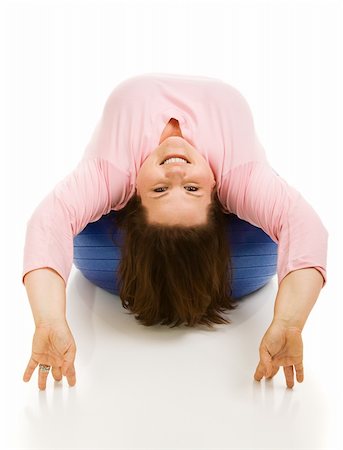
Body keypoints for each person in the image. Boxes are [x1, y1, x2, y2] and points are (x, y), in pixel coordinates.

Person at [21, 73, 328, 391]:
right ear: (219, 197)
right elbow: (304, 225)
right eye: (193, 188)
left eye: (159, 189)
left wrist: (49, 320)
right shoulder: (239, 176)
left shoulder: (111, 172)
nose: (176, 170)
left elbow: (49, 221)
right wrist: (290, 323)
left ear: (134, 196)